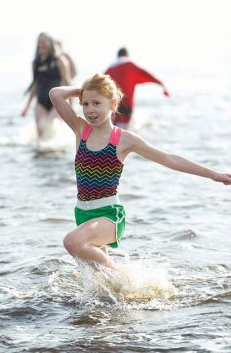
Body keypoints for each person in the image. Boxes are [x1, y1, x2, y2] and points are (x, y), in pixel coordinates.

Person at [49, 74, 231, 270]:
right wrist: (85, 89)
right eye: (85, 104)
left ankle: (122, 275)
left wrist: (213, 174)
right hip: (82, 213)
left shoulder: (124, 139)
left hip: (109, 216)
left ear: (112, 104)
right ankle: (125, 289)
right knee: (100, 281)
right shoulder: (81, 129)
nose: (90, 110)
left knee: (72, 242)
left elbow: (168, 158)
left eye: (96, 103)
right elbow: (55, 94)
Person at [21, 33, 71, 138]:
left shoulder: (59, 61)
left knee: (51, 127)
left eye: (44, 41)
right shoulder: (35, 63)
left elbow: (67, 82)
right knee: (41, 131)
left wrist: (71, 104)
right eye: (39, 42)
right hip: (41, 101)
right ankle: (41, 154)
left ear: (51, 44)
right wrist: (27, 107)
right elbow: (34, 84)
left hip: (58, 100)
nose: (41, 44)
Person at [105, 47, 170, 128]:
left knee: (112, 129)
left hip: (111, 106)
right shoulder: (130, 65)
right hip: (127, 105)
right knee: (123, 132)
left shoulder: (108, 70)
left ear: (117, 56)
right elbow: (146, 74)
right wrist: (162, 85)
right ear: (127, 55)